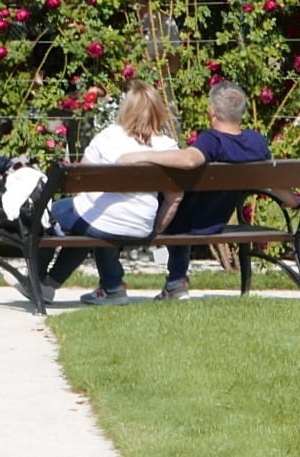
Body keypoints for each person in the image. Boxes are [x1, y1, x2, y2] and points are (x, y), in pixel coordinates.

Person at [47, 83, 204, 304]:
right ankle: (107, 287)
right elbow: (174, 197)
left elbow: (78, 184)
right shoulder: (168, 145)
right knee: (100, 217)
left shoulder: (109, 136)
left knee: (48, 215)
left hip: (101, 222)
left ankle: (44, 283)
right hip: (142, 224)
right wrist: (155, 229)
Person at [156, 80, 268, 301]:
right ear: (242, 112)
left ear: (212, 111)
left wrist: (142, 157)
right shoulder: (257, 141)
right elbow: (274, 179)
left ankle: (173, 282)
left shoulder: (212, 140)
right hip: (217, 218)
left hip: (185, 222)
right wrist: (292, 201)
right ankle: (174, 283)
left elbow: (189, 160)